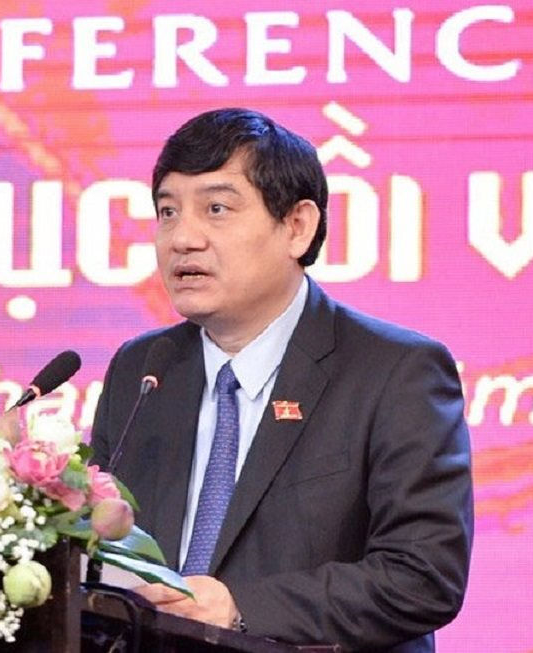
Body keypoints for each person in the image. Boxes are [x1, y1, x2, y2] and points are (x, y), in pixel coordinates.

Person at [89, 108, 473, 653]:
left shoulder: (396, 371)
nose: (182, 238)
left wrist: (240, 607)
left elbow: (422, 576)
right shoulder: (143, 369)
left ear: (297, 227)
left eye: (216, 208)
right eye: (168, 212)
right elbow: (101, 550)